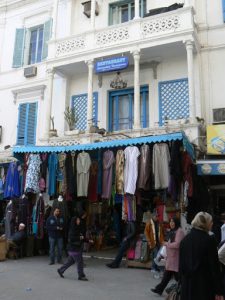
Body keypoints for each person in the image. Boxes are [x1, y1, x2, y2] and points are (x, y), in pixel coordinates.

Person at [179, 211, 224, 300]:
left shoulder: (185, 240)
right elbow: (214, 267)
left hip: (187, 287)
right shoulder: (209, 240)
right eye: (211, 222)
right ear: (206, 224)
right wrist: (219, 290)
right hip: (203, 287)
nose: (212, 224)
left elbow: (181, 267)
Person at [151, 217, 185, 296]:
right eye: (170, 222)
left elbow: (178, 244)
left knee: (178, 278)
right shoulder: (172, 231)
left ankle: (183, 291)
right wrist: (162, 254)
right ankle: (159, 289)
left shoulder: (179, 231)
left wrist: (167, 244)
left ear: (176, 222)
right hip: (171, 258)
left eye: (173, 221)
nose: (171, 223)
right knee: (167, 276)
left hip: (176, 258)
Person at [57, 216, 93, 281]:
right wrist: (80, 238)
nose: (79, 221)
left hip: (75, 249)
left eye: (79, 220)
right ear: (74, 221)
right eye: (77, 220)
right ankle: (81, 276)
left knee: (70, 261)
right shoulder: (72, 229)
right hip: (74, 249)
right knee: (80, 262)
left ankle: (60, 270)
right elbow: (71, 239)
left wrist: (88, 240)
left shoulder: (78, 228)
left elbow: (82, 237)